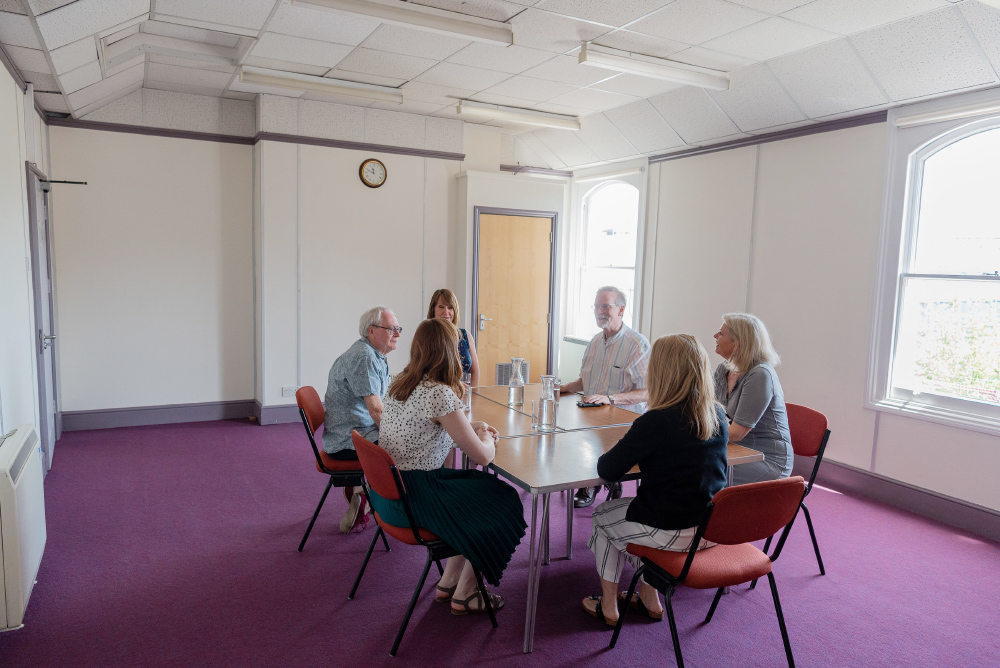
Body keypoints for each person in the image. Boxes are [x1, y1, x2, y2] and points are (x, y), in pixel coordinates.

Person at [370, 318, 526, 614]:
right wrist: (486, 438)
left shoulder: (400, 382)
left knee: (477, 488)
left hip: (391, 493)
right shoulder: (439, 392)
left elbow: (427, 428)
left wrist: (471, 426)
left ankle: (449, 581)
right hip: (418, 495)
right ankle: (466, 593)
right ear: (449, 351)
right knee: (501, 498)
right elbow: (483, 457)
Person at [582, 334, 728, 626]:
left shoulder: (656, 420)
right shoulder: (717, 414)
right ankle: (650, 598)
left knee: (601, 517)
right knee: (634, 512)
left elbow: (607, 470)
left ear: (661, 373)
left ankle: (608, 607)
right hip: (710, 528)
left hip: (670, 530)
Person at [561, 286, 651, 508]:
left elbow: (648, 392)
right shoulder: (594, 342)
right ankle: (607, 479)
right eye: (597, 306)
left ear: (621, 310)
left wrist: (611, 399)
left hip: (623, 421)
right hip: (591, 417)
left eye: (605, 306)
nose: (600, 311)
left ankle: (597, 481)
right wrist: (562, 388)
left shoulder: (637, 345)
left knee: (596, 440)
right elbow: (584, 381)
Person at [323, 306, 400, 533]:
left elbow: (384, 397)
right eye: (391, 329)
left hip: (357, 429)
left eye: (398, 329)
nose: (397, 334)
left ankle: (363, 491)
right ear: (371, 331)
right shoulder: (364, 356)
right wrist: (399, 434)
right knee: (404, 447)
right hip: (346, 440)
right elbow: (376, 411)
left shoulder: (375, 355)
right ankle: (385, 505)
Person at [712, 313, 793, 485]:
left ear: (738, 343)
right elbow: (708, 411)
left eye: (721, 333)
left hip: (767, 459)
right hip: (736, 451)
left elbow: (737, 433)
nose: (715, 336)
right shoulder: (723, 369)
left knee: (699, 473)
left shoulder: (760, 374)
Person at [427, 288, 480, 388]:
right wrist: (454, 385)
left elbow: (475, 371)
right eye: (441, 307)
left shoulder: (465, 335)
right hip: (438, 394)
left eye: (450, 308)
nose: (446, 312)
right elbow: (425, 373)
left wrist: (471, 393)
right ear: (433, 309)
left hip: (464, 394)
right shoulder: (426, 335)